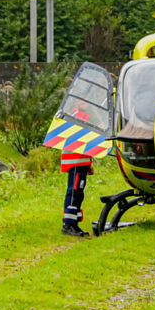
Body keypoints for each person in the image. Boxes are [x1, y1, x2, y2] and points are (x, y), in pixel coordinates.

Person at [61, 100, 95, 238]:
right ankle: (68, 225)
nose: (86, 103)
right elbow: (78, 140)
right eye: (83, 100)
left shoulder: (82, 117)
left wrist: (88, 163)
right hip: (75, 161)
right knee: (74, 192)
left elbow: (85, 143)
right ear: (75, 101)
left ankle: (73, 223)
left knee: (78, 193)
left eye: (88, 100)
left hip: (81, 161)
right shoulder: (73, 117)